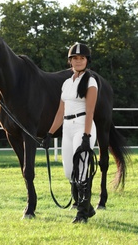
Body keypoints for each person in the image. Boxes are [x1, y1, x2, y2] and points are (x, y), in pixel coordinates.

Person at [43, 43, 98, 223]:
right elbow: (60, 111)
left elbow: (90, 111)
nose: (78, 61)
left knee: (81, 171)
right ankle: (87, 207)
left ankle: (81, 214)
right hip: (67, 127)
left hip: (83, 125)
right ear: (70, 61)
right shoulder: (66, 83)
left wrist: (86, 136)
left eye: (82, 58)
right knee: (69, 173)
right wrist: (50, 133)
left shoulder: (90, 81)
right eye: (75, 58)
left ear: (87, 61)